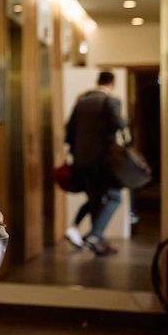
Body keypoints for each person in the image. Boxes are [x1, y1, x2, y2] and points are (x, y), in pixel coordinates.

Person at [64, 70, 126, 256]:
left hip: (82, 160)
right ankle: (95, 235)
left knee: (96, 199)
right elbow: (119, 125)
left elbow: (69, 129)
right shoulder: (111, 101)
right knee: (114, 197)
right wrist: (126, 121)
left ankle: (98, 241)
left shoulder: (82, 101)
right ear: (112, 84)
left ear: (97, 81)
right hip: (103, 161)